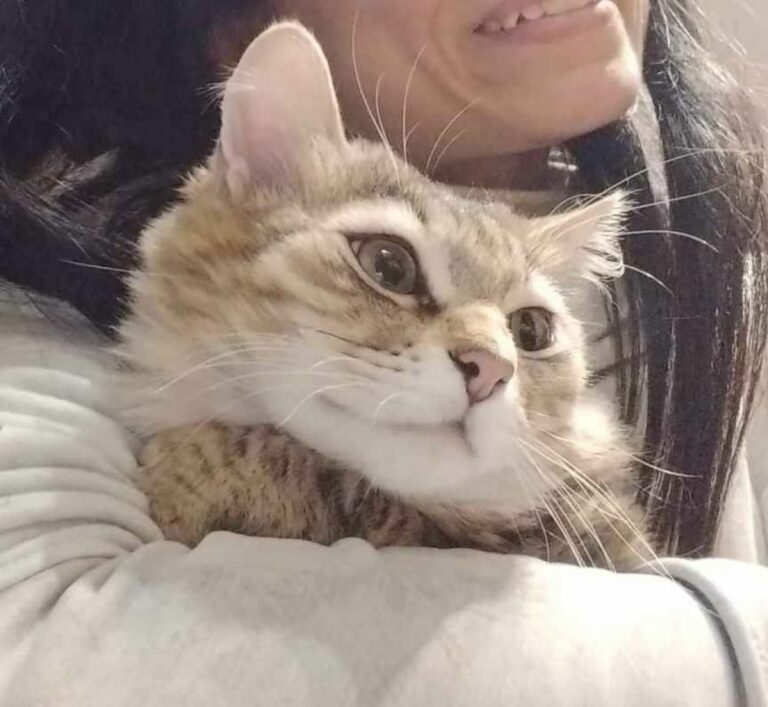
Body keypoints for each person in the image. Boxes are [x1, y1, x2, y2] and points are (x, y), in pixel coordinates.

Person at [0, 1, 766, 704]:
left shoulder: (679, 276)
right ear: (238, 30)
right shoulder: (57, 253)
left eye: (530, 331)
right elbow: (45, 653)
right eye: (389, 268)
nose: (490, 356)